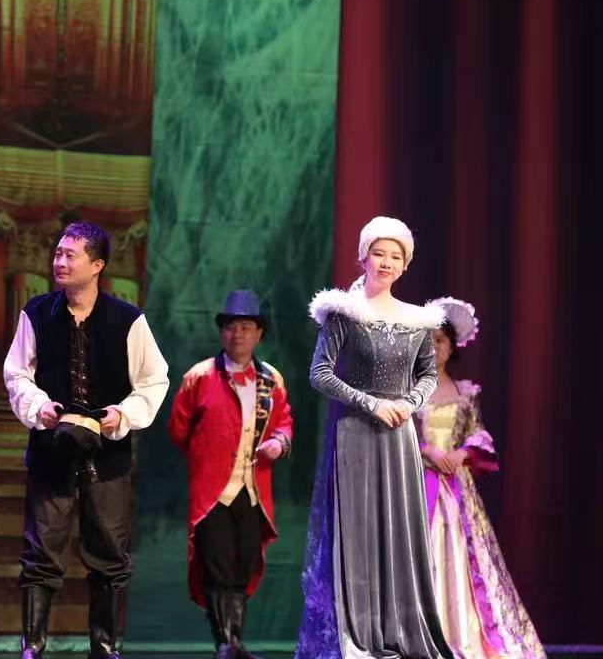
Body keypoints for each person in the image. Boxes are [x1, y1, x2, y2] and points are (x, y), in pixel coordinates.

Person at [3, 222, 170, 659]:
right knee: (41, 551)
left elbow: (154, 380)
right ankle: (33, 646)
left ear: (97, 265)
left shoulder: (127, 319)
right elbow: (17, 374)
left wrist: (122, 415)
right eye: (58, 253)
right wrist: (39, 407)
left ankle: (105, 646)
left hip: (107, 454)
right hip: (51, 451)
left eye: (70, 255)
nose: (59, 261)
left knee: (110, 553)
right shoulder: (37, 313)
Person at [295, 216, 453, 659]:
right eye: (378, 253)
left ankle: (399, 629)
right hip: (355, 434)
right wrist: (371, 404)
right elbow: (319, 373)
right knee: (357, 534)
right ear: (363, 257)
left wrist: (410, 401)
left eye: (395, 256)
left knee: (398, 530)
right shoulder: (344, 312)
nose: (386, 262)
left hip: (399, 436)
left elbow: (427, 374)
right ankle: (358, 633)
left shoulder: (418, 319)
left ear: (405, 265)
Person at [415, 297, 545, 658]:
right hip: (419, 484)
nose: (434, 348)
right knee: (420, 552)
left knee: (460, 555)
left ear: (452, 346)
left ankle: (459, 632)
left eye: (440, 341)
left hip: (457, 489)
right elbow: (399, 437)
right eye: (428, 340)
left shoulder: (464, 392)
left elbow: (478, 434)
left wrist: (460, 453)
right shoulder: (411, 392)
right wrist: (428, 452)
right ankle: (418, 635)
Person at [168, 289, 293, 659]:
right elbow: (178, 429)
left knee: (243, 565)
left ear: (259, 334)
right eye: (231, 327)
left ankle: (234, 641)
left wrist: (279, 443)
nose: (238, 335)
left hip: (254, 490)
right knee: (217, 565)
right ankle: (224, 643)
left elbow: (284, 422)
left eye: (246, 327)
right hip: (213, 493)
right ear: (221, 333)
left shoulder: (272, 380)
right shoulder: (199, 377)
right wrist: (209, 456)